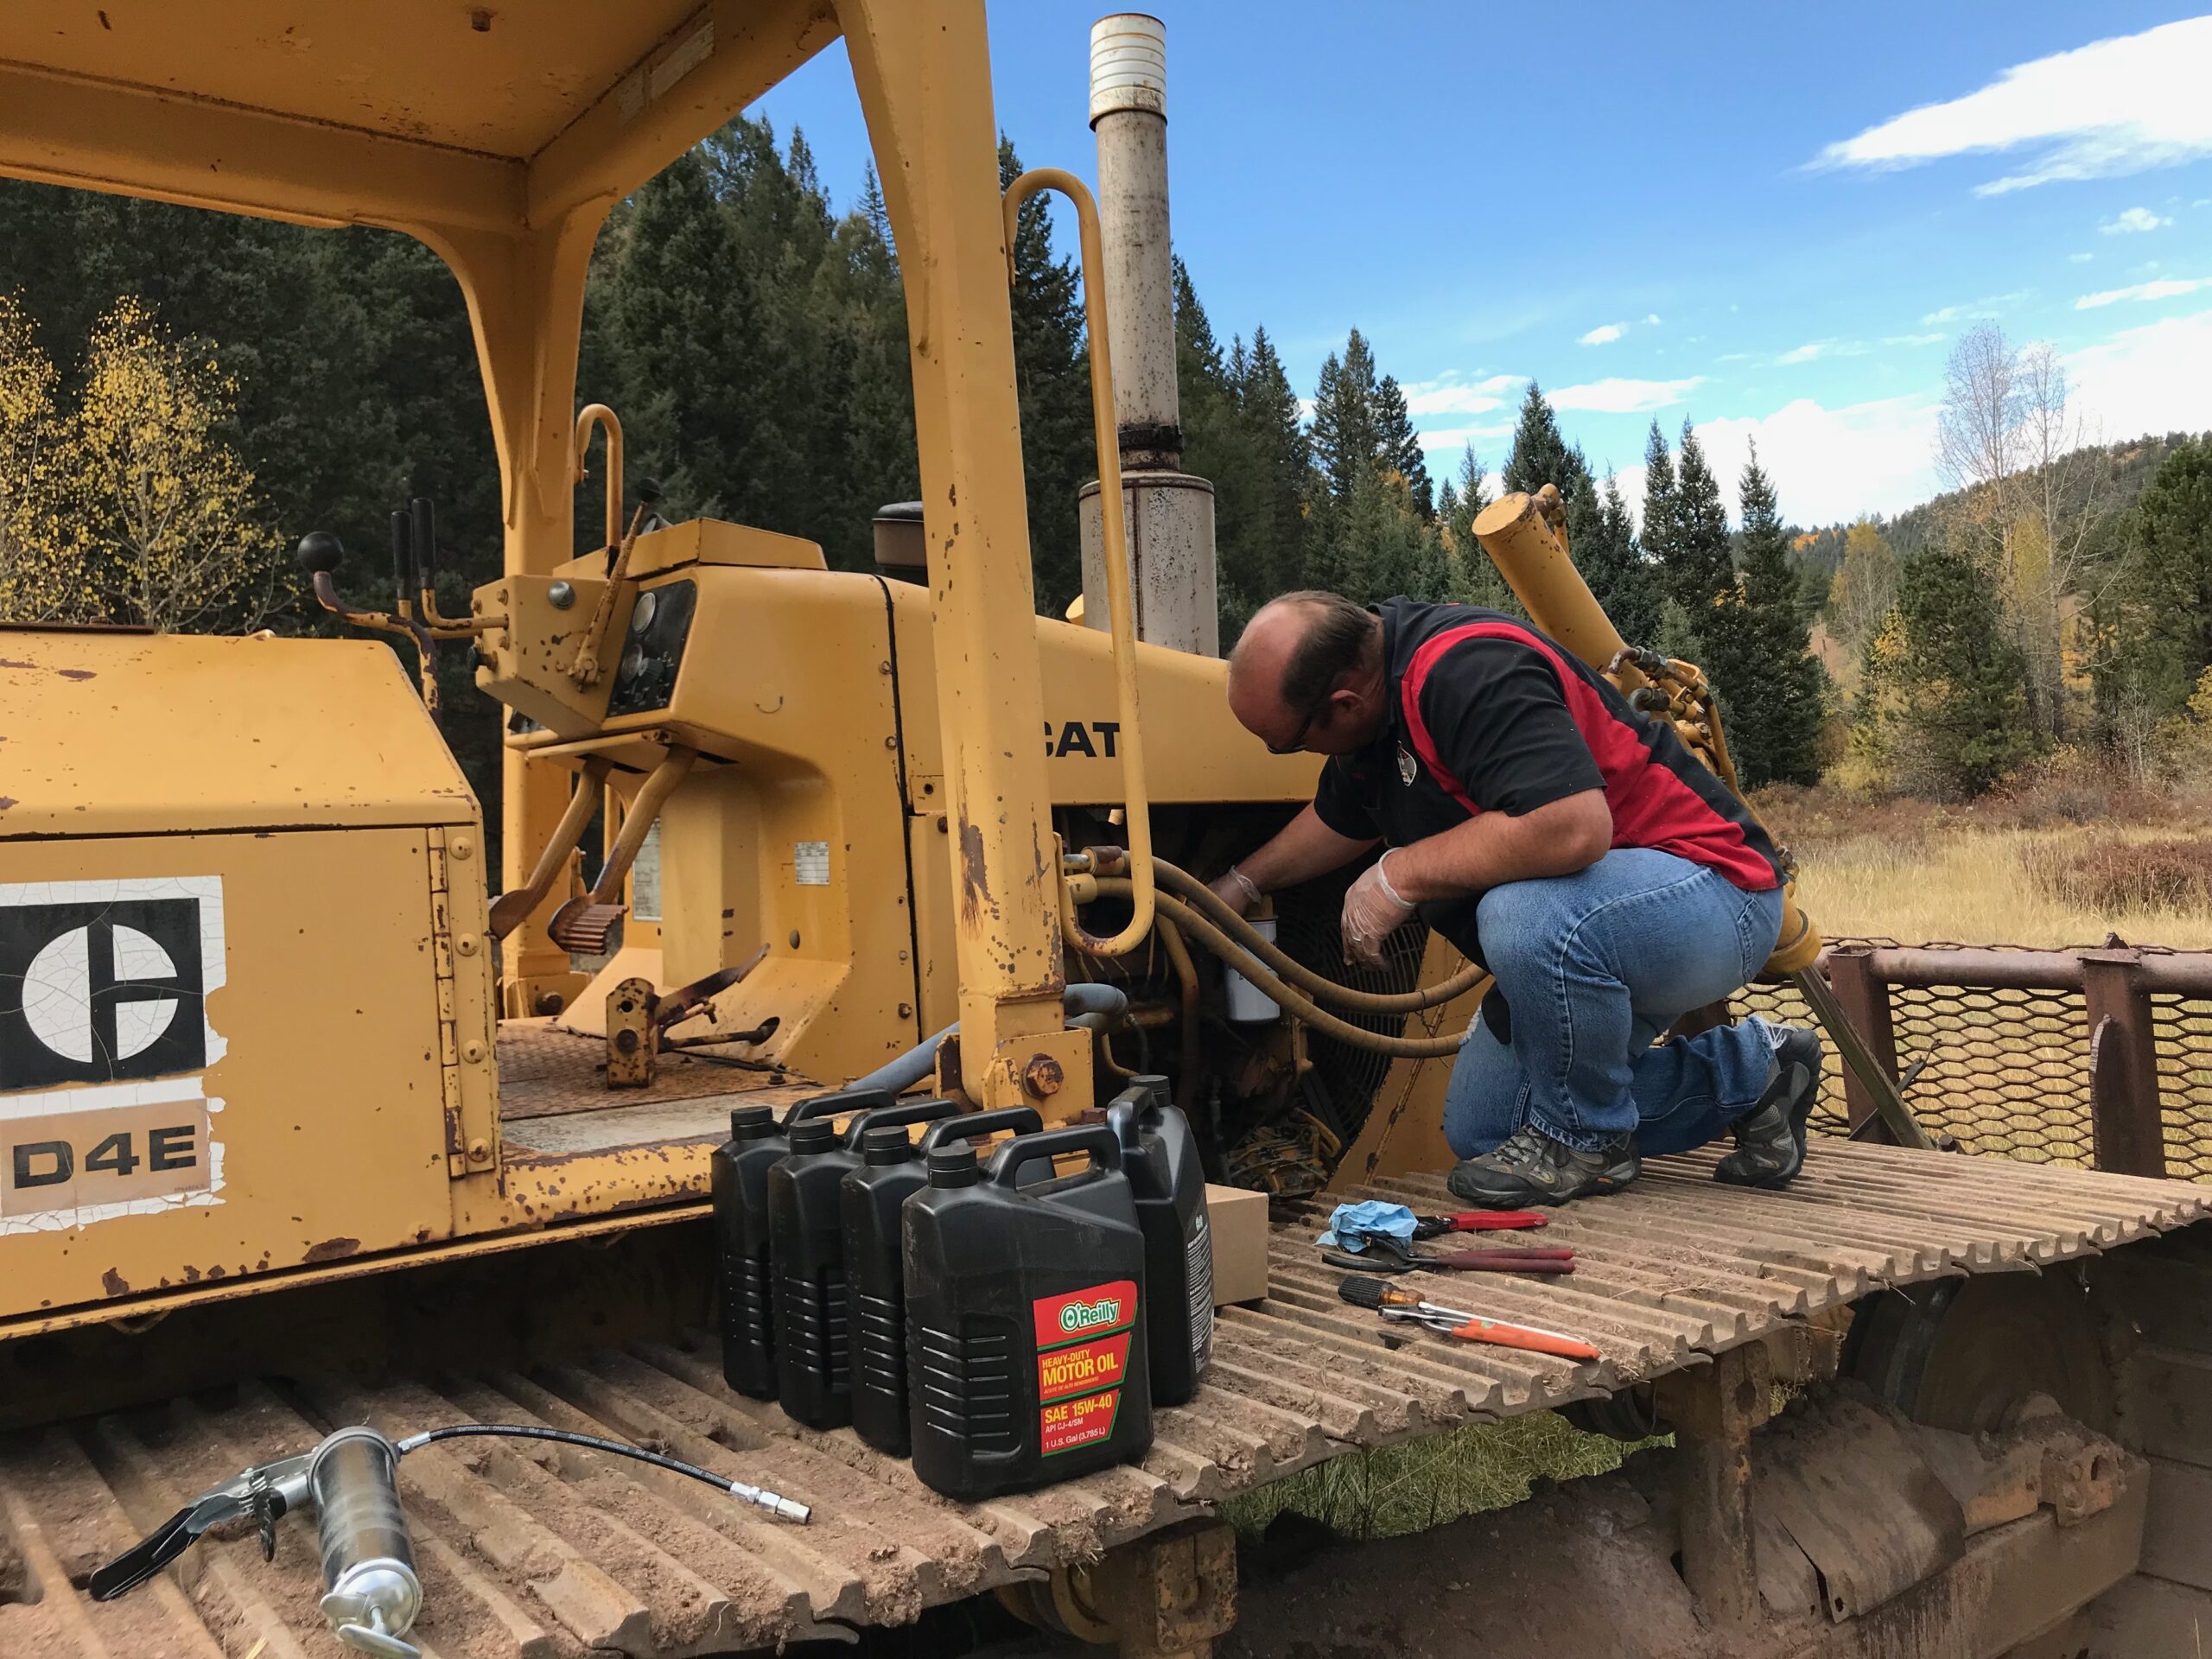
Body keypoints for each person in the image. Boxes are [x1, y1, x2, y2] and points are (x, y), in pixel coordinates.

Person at [1211, 589, 1822, 1206]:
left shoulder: (1468, 671)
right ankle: (1755, 1074)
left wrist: (1399, 874)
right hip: (1602, 930)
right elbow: (1339, 819)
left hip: (1714, 893)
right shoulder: (1375, 696)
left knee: (1521, 916)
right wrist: (1240, 884)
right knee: (1489, 1127)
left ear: (1345, 703)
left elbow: (1572, 827)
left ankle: (1587, 1141)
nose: (1288, 754)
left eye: (1286, 744)